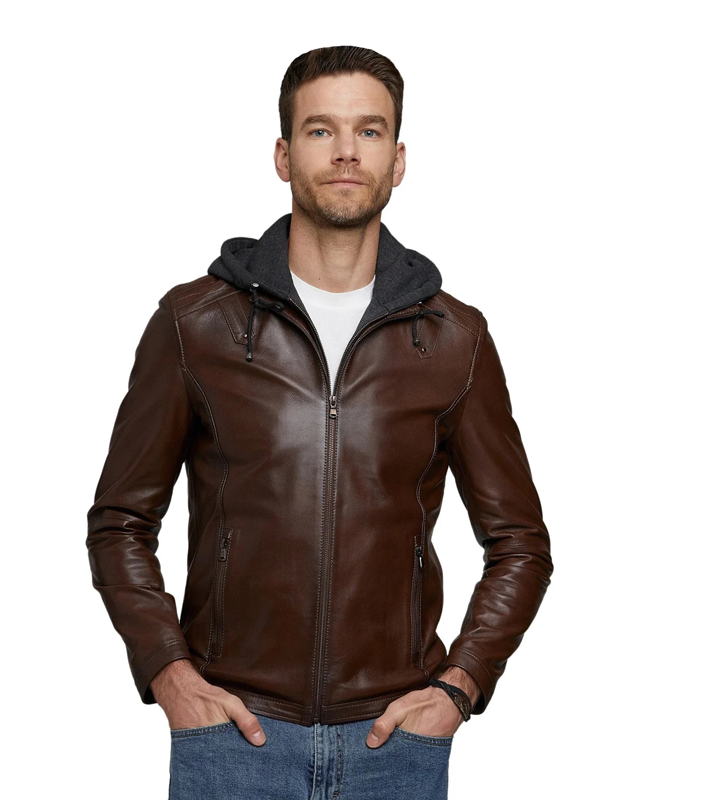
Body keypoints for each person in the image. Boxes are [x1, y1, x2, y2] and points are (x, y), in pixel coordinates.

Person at [86, 44, 554, 800]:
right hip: (233, 737)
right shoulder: (195, 324)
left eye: (369, 131)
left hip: (393, 744)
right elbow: (120, 522)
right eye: (319, 130)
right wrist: (169, 673)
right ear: (283, 155)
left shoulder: (454, 339)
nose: (345, 152)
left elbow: (520, 544)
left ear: (398, 160)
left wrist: (459, 686)